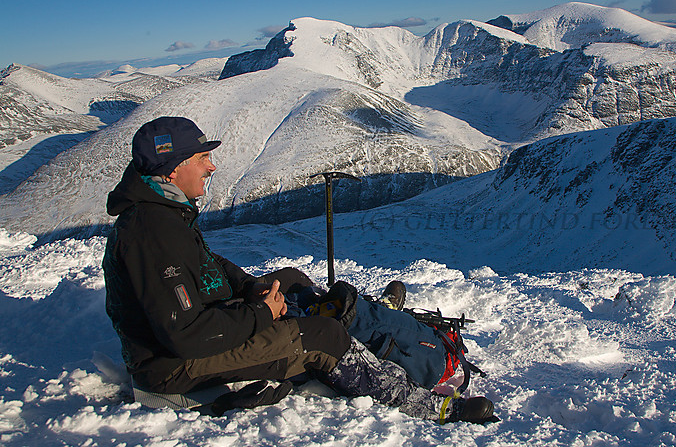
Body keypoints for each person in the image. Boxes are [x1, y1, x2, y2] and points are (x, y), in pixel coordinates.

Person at [102, 116, 495, 423]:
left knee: (288, 279)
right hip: (175, 368)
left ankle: (350, 324)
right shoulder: (151, 233)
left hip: (203, 330)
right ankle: (431, 406)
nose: (213, 165)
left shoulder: (165, 212)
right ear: (173, 168)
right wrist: (260, 314)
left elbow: (206, 265)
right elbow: (185, 336)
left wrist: (253, 286)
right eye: (202, 158)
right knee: (323, 335)